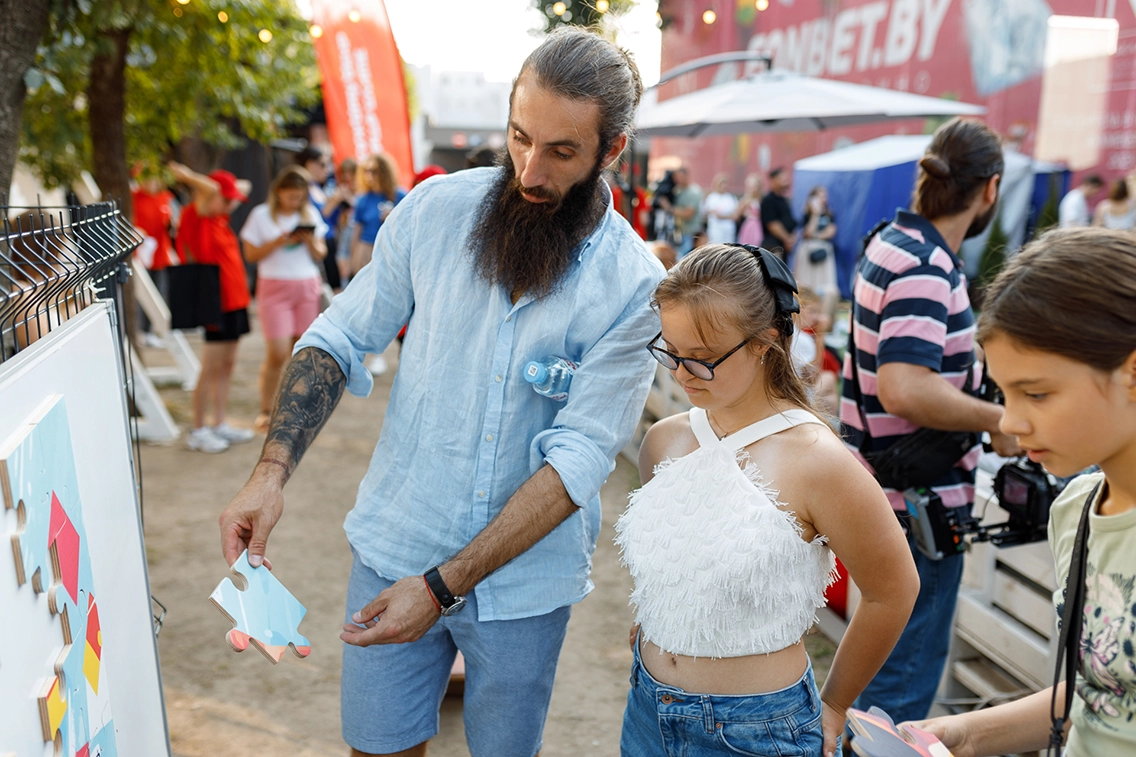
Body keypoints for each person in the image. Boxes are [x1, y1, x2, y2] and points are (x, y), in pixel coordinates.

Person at [217, 27, 664, 757]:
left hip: (526, 589)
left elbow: (579, 461)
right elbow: (337, 336)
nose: (528, 170)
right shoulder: (435, 212)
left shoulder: (636, 285)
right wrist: (269, 473)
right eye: (520, 137)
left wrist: (440, 587)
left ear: (611, 151)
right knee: (378, 747)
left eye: (561, 152)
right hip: (395, 541)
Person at [616, 244, 918, 757]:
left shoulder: (818, 461)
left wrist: (837, 702)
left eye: (704, 358)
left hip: (756, 727)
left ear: (766, 342)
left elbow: (893, 589)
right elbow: (679, 547)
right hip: (647, 704)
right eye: (671, 351)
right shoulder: (664, 440)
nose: (683, 373)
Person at [909, 227, 1136, 757]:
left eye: (1036, 393)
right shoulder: (1077, 509)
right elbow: (1103, 697)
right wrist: (967, 735)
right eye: (1003, 393)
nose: (1011, 421)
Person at [840, 117, 1024, 727]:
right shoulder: (926, 265)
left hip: (879, 496)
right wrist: (998, 416)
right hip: (917, 508)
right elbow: (903, 387)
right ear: (989, 190)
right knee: (898, 694)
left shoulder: (890, 241)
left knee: (876, 679)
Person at [169, 161, 257, 453]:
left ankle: (219, 423)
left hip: (236, 302)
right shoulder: (196, 217)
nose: (232, 202)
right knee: (210, 368)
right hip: (214, 301)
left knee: (227, 366)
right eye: (227, 198)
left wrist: (224, 191)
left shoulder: (220, 218)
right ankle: (198, 429)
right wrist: (189, 176)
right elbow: (211, 190)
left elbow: (244, 186)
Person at [239, 165, 328, 434]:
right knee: (276, 353)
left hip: (305, 284)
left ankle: (296, 408)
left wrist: (309, 240)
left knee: (301, 352)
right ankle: (267, 409)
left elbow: (320, 253)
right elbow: (251, 255)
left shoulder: (310, 213)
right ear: (279, 192)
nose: (295, 201)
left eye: (300, 196)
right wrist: (279, 241)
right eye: (291, 195)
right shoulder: (261, 215)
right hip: (274, 285)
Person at [351, 153, 407, 375]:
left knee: (388, 302)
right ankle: (371, 354)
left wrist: (393, 217)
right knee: (366, 303)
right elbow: (355, 232)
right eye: (366, 171)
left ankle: (380, 353)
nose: (369, 176)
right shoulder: (363, 199)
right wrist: (350, 257)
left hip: (390, 251)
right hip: (366, 251)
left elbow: (409, 228)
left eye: (374, 171)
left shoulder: (400, 195)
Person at [132, 166, 180, 345]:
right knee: (143, 293)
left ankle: (153, 329)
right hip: (141, 254)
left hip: (160, 254)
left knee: (160, 292)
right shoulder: (133, 197)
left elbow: (173, 223)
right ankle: (141, 330)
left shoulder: (167, 198)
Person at [794, 185, 839, 322]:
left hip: (823, 252)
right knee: (806, 283)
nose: (822, 199)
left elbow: (831, 232)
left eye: (824, 196)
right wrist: (815, 214)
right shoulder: (808, 214)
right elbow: (807, 232)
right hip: (808, 251)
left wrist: (816, 236)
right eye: (819, 195)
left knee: (827, 286)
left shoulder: (830, 215)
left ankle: (821, 315)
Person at [324, 157, 358, 292]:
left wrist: (349, 198)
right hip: (342, 238)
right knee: (343, 277)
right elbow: (326, 214)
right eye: (344, 173)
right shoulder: (337, 191)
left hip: (358, 238)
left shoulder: (362, 193)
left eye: (351, 173)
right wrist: (337, 198)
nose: (347, 176)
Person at [761, 167, 797, 260]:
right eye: (782, 178)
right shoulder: (768, 200)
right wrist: (787, 239)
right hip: (773, 246)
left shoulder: (784, 200)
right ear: (773, 180)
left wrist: (791, 238)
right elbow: (772, 224)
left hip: (784, 246)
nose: (786, 180)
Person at [701, 172, 738, 244]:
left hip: (728, 229)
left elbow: (735, 215)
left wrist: (723, 216)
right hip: (716, 229)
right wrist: (727, 216)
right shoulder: (712, 197)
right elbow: (715, 214)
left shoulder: (730, 198)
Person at [734, 172, 764, 247]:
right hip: (750, 225)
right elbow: (737, 213)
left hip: (758, 225)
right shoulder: (747, 199)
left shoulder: (760, 198)